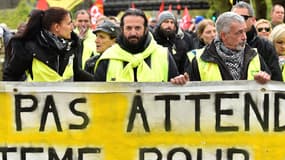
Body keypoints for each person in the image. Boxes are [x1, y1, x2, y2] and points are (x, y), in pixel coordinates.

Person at [92, 8, 187, 82]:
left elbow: (174, 94)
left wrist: (179, 82)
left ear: (146, 29)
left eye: (137, 28)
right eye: (128, 28)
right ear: (122, 29)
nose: (133, 33)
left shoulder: (163, 55)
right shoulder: (107, 58)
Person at [183, 12, 271, 84]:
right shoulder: (199, 60)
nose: (244, 37)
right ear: (224, 36)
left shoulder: (254, 56)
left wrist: (265, 80)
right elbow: (189, 95)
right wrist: (181, 83)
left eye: (244, 31)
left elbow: (272, 89)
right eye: (239, 32)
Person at [3, 7, 81, 81]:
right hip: (35, 95)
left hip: (67, 95)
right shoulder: (29, 48)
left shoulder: (72, 46)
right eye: (69, 23)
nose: (72, 26)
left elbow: (77, 73)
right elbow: (11, 77)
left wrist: (93, 82)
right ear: (57, 27)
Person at [231, 1, 282, 81]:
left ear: (253, 20)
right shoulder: (222, 45)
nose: (237, 21)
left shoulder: (266, 46)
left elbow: (277, 81)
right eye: (234, 17)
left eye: (243, 17)